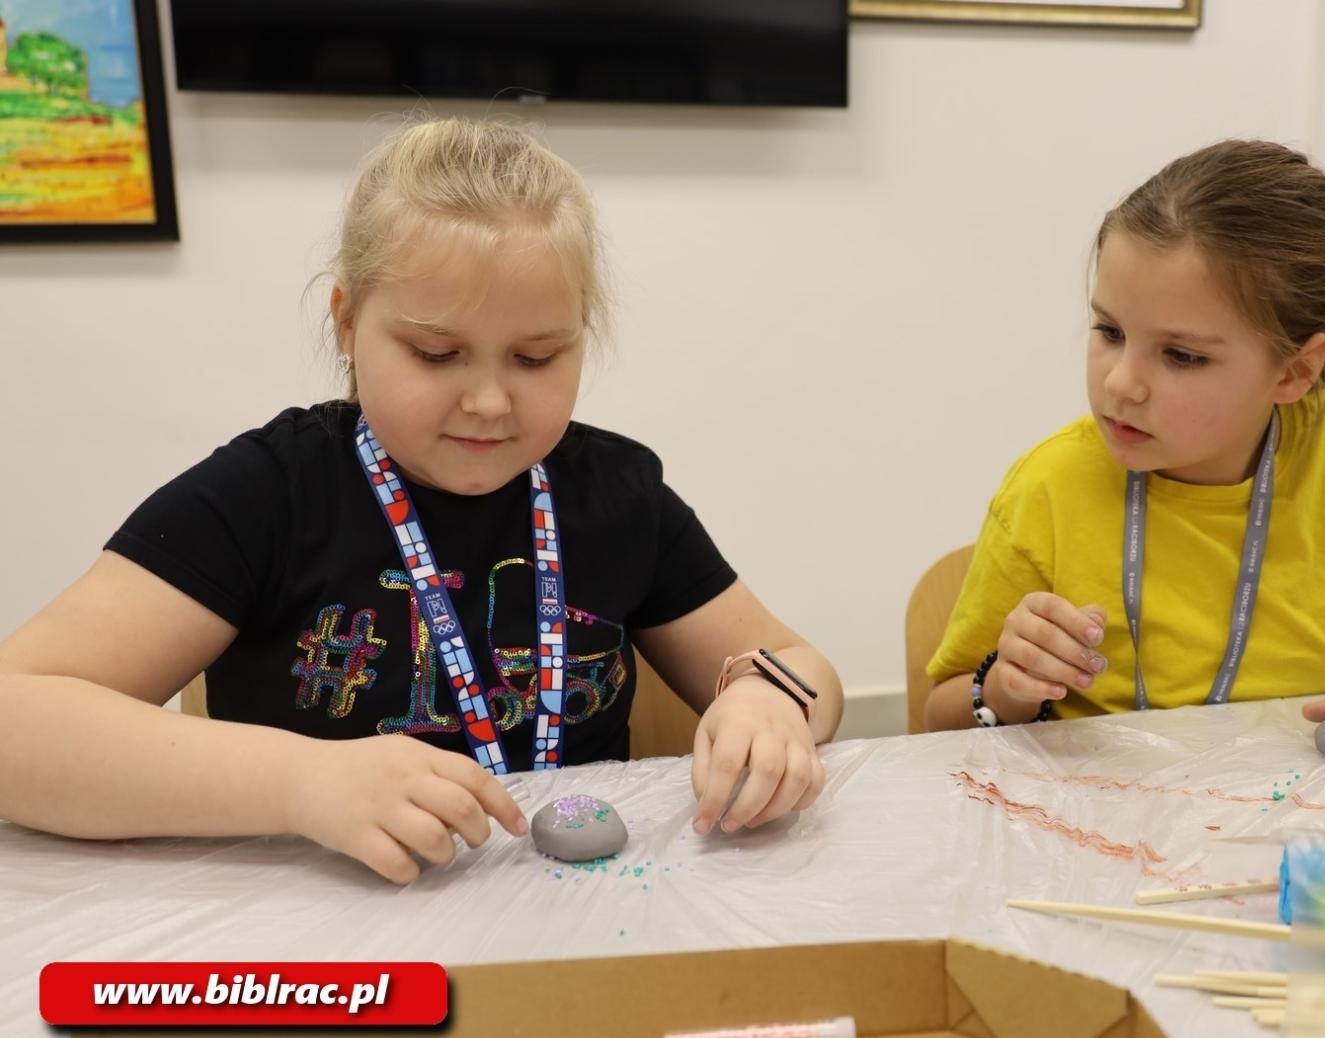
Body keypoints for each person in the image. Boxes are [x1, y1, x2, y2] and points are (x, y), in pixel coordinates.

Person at [0, 117, 842, 885]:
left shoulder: (617, 492)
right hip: (325, 932)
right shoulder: (270, 492)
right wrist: (300, 781)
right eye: (436, 354)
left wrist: (767, 701)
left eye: (537, 357)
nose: (487, 401)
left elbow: (800, 666)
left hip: (580, 915)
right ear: (345, 323)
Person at [924, 139, 1325, 741]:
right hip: (1100, 840)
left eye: (1181, 355)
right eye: (1109, 331)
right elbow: (941, 714)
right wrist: (1005, 688)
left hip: (1301, 822)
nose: (1122, 383)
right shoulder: (1049, 485)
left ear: (1295, 370)